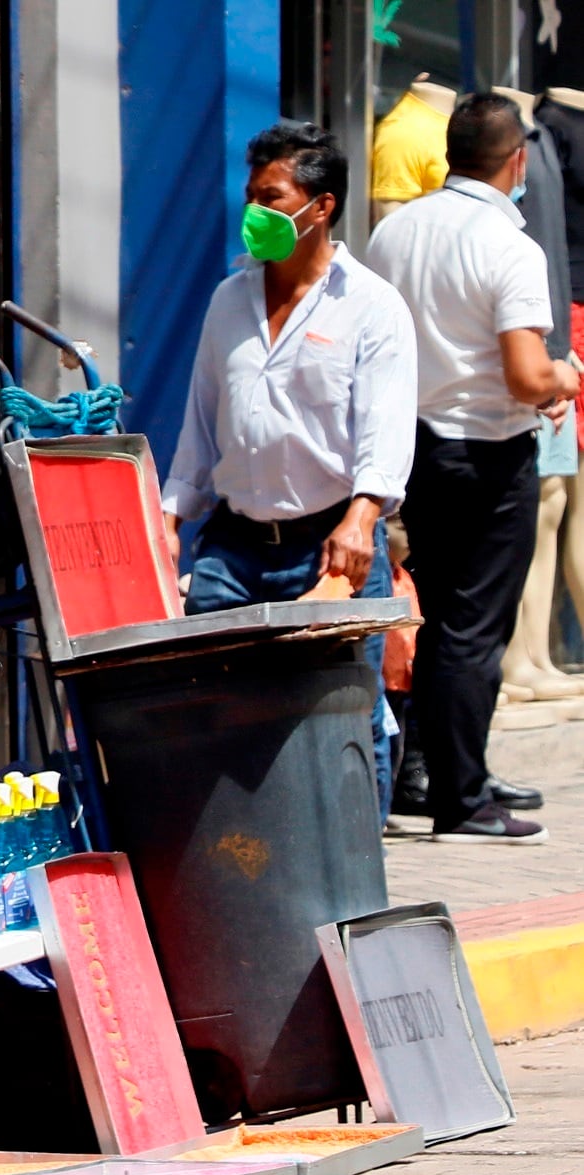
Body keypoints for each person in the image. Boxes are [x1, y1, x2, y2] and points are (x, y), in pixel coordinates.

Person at [161, 121, 416, 817]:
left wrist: (362, 521)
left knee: (344, 724)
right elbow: (201, 425)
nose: (255, 214)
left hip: (330, 549)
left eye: (271, 198)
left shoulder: (371, 307)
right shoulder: (226, 301)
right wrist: (169, 517)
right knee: (213, 710)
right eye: (250, 196)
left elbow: (386, 432)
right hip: (232, 551)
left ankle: (355, 886)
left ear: (320, 206)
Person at [367, 93, 577, 843]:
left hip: (416, 450)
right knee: (471, 630)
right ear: (516, 160)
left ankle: (439, 774)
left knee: (447, 618)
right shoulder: (508, 245)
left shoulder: (395, 234)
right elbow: (526, 375)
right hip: (487, 457)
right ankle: (461, 800)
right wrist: (563, 377)